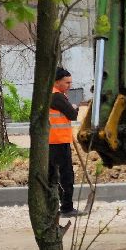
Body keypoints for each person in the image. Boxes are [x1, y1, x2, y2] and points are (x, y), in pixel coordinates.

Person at [49, 66, 81, 218]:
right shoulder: (57, 97)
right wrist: (75, 107)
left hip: (51, 142)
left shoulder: (49, 95)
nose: (70, 86)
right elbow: (72, 114)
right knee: (66, 175)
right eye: (67, 82)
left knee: (53, 176)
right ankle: (67, 208)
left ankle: (52, 207)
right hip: (59, 142)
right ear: (57, 82)